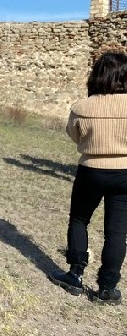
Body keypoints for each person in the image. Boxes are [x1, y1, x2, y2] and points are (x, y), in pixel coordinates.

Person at [49, 50, 127, 305]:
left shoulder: (82, 107)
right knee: (117, 232)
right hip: (125, 173)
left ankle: (75, 275)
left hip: (91, 170)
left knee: (79, 219)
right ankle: (107, 288)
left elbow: (74, 135)